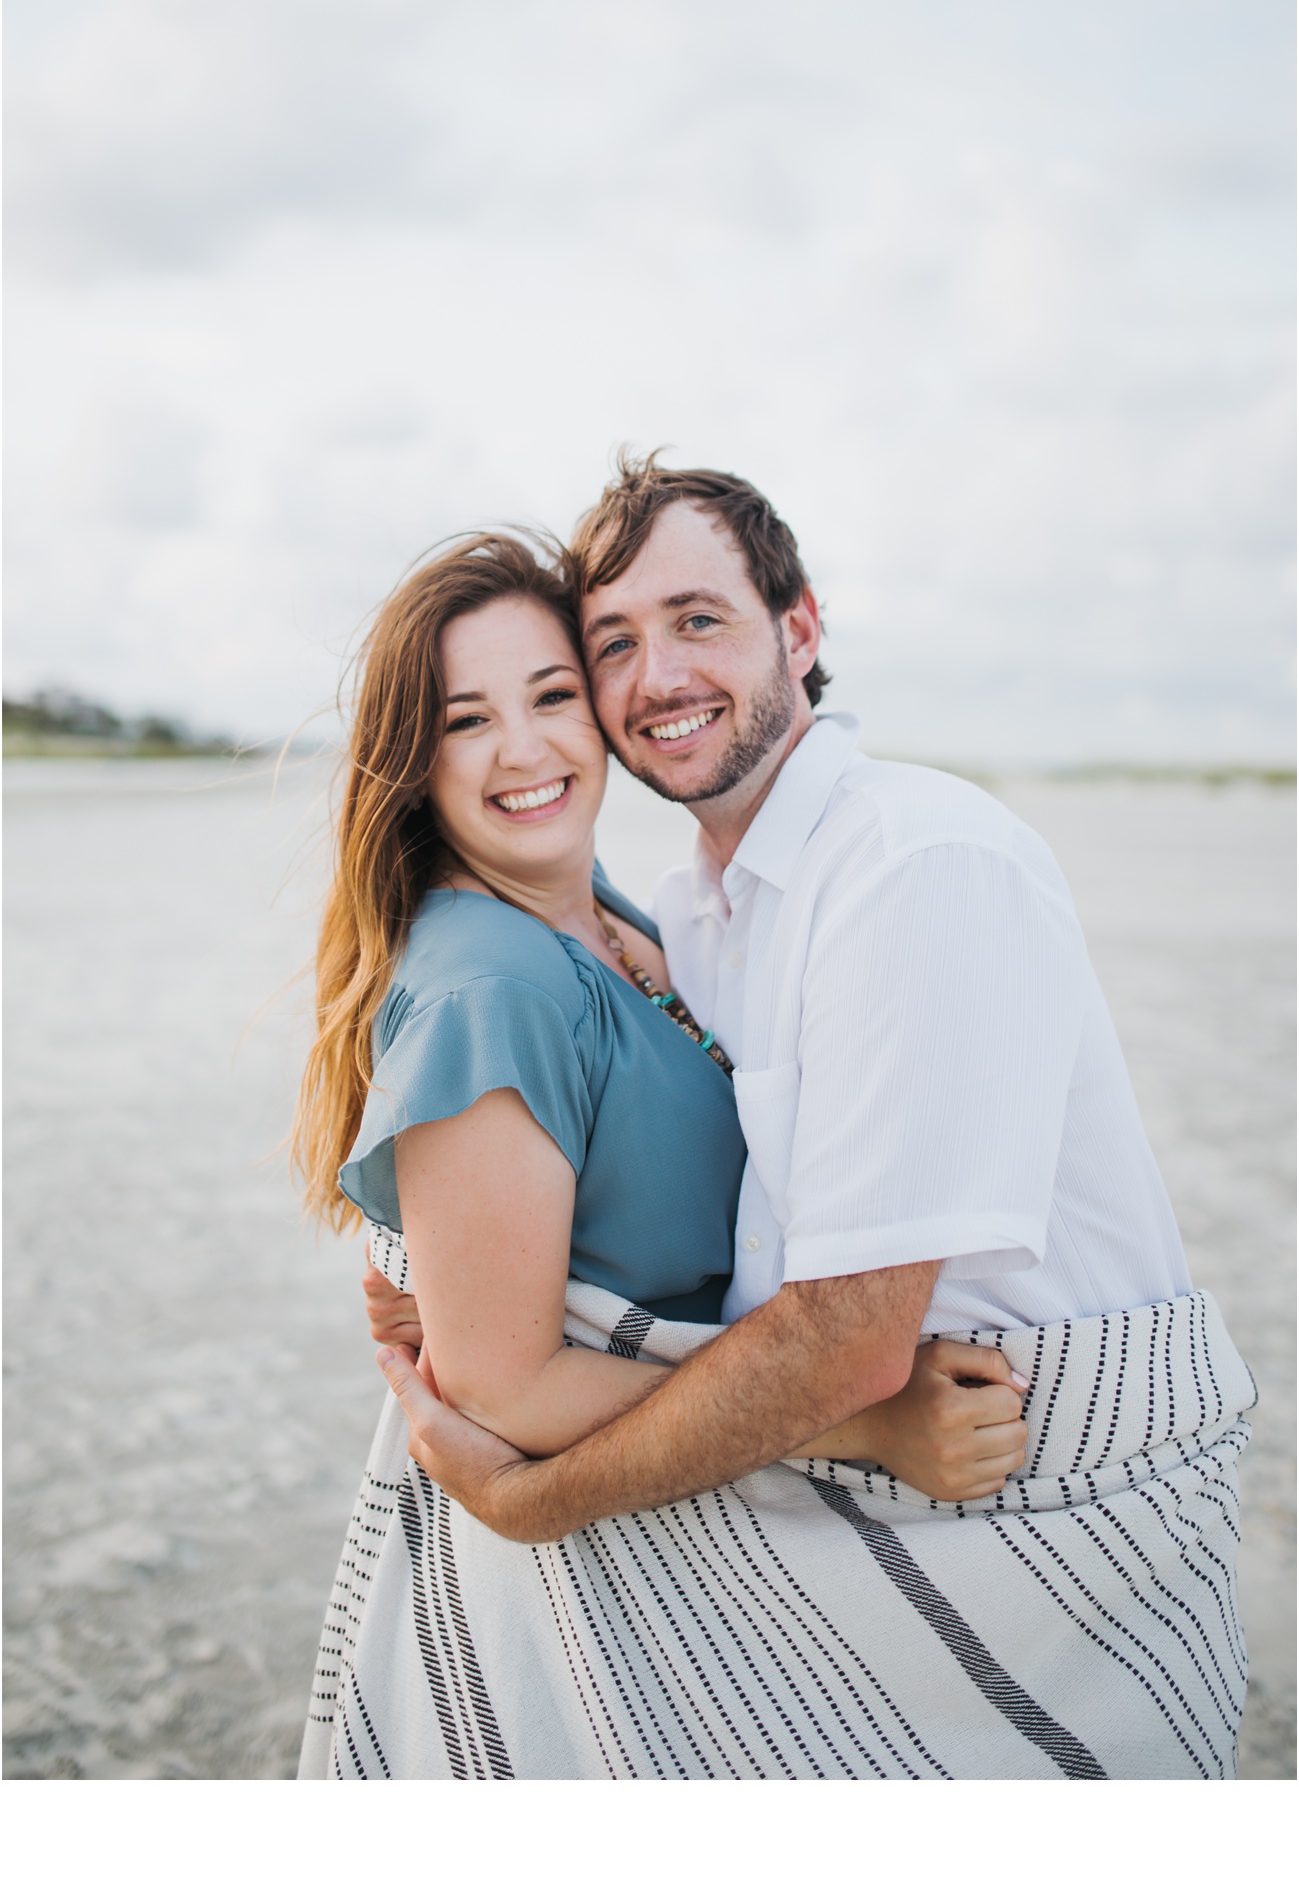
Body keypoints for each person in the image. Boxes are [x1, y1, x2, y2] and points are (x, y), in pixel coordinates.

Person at [377, 457, 1257, 1780]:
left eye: (697, 619)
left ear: (797, 629)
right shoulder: (684, 919)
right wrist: (436, 1271)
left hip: (1032, 1500)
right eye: (609, 644)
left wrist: (527, 1496)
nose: (654, 675)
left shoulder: (910, 863)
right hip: (861, 1488)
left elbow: (848, 1341)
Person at [295, 530, 1027, 1783]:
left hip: (681, 1523)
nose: (525, 751)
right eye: (468, 720)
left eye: (553, 694)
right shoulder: (496, 981)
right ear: (412, 766)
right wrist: (865, 1425)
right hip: (607, 1564)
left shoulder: (608, 921)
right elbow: (507, 1388)